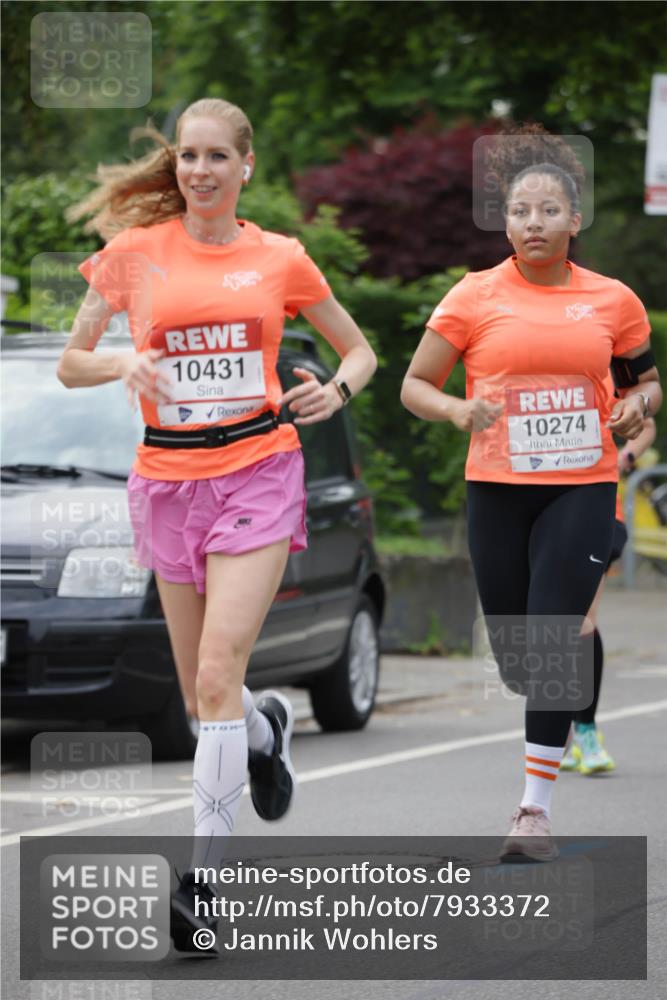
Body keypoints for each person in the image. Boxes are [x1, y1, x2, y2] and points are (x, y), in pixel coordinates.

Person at [57, 97, 377, 950]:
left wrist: (332, 391)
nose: (198, 171)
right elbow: (70, 362)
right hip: (166, 480)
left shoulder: (280, 257)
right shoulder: (132, 256)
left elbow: (358, 348)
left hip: (260, 471)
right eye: (187, 157)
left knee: (212, 674)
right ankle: (264, 725)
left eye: (214, 157)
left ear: (245, 167)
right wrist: (123, 358)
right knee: (213, 702)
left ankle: (203, 883)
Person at [400, 124, 662, 861]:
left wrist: (638, 408)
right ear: (505, 221)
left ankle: (531, 813)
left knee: (550, 641)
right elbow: (414, 385)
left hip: (579, 485)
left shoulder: (612, 301)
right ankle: (551, 729)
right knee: (520, 659)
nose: (533, 224)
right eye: (520, 212)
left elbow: (647, 385)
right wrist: (457, 409)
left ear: (573, 220)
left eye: (548, 211)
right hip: (495, 486)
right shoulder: (473, 295)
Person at [561, 416, 657, 774]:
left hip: (597, 509)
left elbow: (645, 423)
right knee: (549, 622)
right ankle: (562, 729)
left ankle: (585, 730)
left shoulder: (600, 368)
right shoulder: (527, 373)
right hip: (539, 510)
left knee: (582, 619)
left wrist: (624, 458)